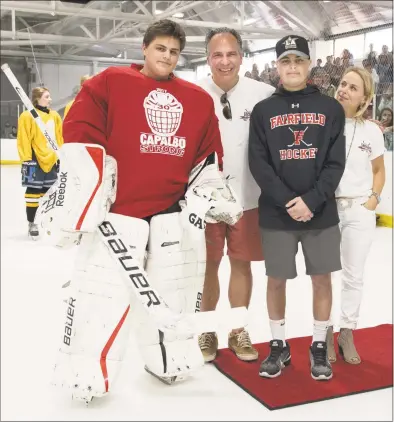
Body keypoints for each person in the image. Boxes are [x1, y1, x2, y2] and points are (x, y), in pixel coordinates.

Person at [48, 19, 242, 402]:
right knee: (101, 298)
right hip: (118, 216)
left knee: (175, 296)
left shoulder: (198, 99)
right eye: (160, 49)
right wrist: (88, 192)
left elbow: (207, 157)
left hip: (170, 216)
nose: (167, 57)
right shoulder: (110, 82)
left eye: (173, 52)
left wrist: (206, 197)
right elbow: (81, 132)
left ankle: (170, 361)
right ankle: (86, 373)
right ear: (144, 48)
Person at [248, 35, 346, 381]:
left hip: (320, 212)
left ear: (308, 65)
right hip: (277, 213)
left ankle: (319, 345)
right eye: (286, 61)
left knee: (322, 279)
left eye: (299, 61)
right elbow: (259, 164)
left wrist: (312, 200)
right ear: (277, 66)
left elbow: (335, 163)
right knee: (276, 280)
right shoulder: (263, 111)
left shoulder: (330, 108)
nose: (292, 67)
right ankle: (279, 344)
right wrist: (290, 202)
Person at [196, 28, 275, 363]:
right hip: (205, 200)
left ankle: (238, 330)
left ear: (242, 56)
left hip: (249, 199)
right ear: (208, 58)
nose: (224, 61)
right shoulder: (193, 93)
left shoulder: (265, 94)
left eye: (231, 54)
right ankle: (206, 330)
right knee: (207, 267)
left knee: (242, 266)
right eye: (217, 54)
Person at [327, 68, 386, 364]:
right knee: (322, 274)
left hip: (359, 209)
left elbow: (378, 171)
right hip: (327, 209)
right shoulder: (323, 122)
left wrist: (373, 200)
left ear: (364, 97)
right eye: (342, 84)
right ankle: (323, 332)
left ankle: (346, 331)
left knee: (354, 276)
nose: (344, 90)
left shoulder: (372, 131)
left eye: (353, 87)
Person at [17, 87, 63, 239]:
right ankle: (32, 223)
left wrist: (60, 156)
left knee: (49, 194)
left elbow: (59, 137)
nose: (50, 99)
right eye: (47, 96)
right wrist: (26, 161)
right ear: (37, 99)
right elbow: (23, 139)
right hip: (34, 161)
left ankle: (46, 221)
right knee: (33, 194)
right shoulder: (27, 116)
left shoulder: (55, 116)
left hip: (52, 159)